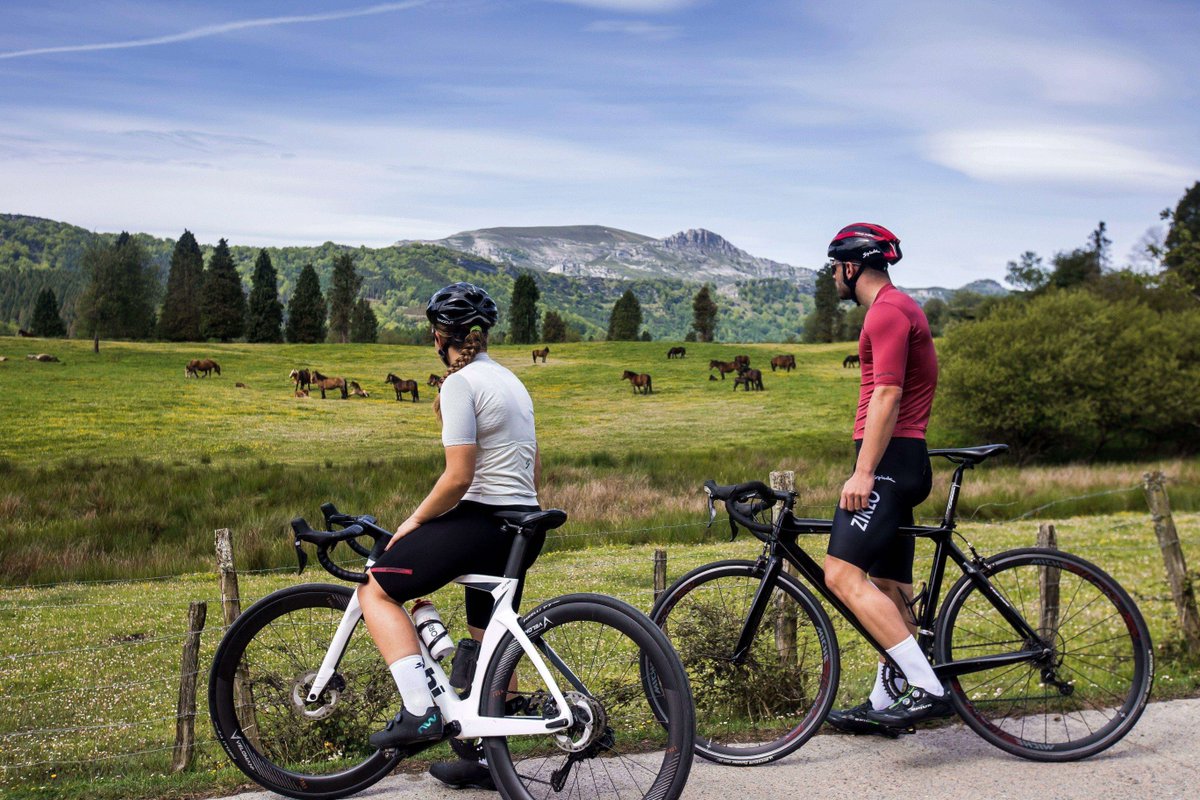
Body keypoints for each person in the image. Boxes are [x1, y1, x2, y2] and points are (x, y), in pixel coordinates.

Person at [357, 282, 541, 788]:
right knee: (491, 641)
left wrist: (414, 522)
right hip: (523, 523)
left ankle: (421, 711)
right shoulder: (511, 380)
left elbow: (459, 478)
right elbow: (531, 469)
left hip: (485, 522)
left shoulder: (460, 384)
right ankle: (487, 761)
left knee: (376, 588)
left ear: (440, 337)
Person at [819, 223, 950, 734]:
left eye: (835, 267)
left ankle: (927, 687)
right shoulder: (896, 307)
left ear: (852, 267)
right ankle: (885, 698)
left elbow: (888, 393)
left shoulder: (888, 311)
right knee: (890, 586)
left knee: (840, 574)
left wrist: (864, 472)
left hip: (890, 464)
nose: (833, 276)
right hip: (899, 462)